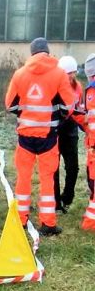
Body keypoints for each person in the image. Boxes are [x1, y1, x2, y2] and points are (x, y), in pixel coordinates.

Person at [4, 37, 74, 236]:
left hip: (25, 136)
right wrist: (55, 116)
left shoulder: (20, 74)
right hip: (48, 136)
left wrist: (26, 114)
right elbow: (68, 106)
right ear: (48, 52)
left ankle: (21, 219)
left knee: (23, 178)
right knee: (47, 179)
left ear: (32, 52)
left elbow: (10, 104)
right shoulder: (59, 74)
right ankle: (48, 224)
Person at [53, 56, 83, 213]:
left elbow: (79, 108)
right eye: (68, 73)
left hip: (71, 129)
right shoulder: (54, 87)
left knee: (73, 167)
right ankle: (56, 203)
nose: (71, 75)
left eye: (73, 72)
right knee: (54, 168)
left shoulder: (78, 87)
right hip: (56, 129)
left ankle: (67, 196)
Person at [72, 53, 95, 231]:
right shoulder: (89, 91)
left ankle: (90, 223)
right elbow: (89, 118)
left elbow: (90, 120)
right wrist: (77, 114)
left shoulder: (91, 91)